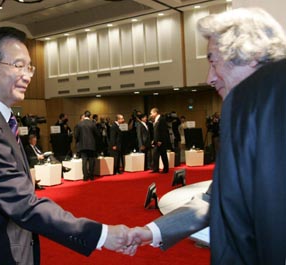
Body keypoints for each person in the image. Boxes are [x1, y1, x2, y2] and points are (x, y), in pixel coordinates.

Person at [0, 27, 138, 265]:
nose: (27, 75)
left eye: (29, 67)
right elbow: (23, 204)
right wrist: (103, 235)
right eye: (18, 65)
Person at [128, 7, 286, 265]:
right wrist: (152, 231)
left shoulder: (253, 103)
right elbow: (216, 199)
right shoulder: (248, 111)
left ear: (252, 54)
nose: (209, 77)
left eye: (213, 61)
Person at [74, 110, 99, 181]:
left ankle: (85, 177)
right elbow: (97, 135)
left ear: (84, 115)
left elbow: (76, 136)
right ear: (90, 116)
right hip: (91, 145)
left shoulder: (79, 124)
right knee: (91, 161)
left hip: (82, 145)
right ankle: (91, 176)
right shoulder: (93, 124)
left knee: (84, 162)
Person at [150, 108, 170, 173]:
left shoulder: (161, 119)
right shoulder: (156, 120)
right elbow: (156, 132)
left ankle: (166, 169)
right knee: (155, 155)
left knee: (163, 155)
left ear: (155, 112)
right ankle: (155, 168)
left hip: (161, 141)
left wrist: (160, 140)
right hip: (156, 141)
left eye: (152, 113)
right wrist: (154, 140)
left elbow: (163, 131)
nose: (151, 115)